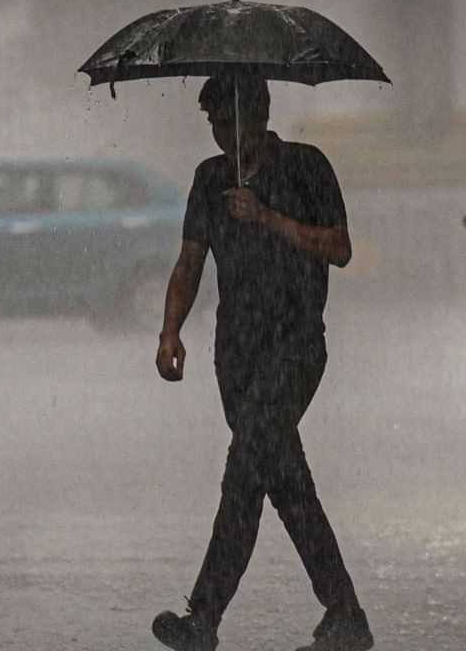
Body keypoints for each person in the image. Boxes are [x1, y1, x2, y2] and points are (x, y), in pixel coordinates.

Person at [151, 73, 373, 651]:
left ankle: (204, 616)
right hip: (237, 354)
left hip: (295, 344)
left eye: (229, 121)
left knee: (245, 472)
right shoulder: (209, 179)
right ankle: (345, 613)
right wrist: (170, 329)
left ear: (260, 115)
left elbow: (341, 249)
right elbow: (189, 261)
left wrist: (268, 218)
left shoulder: (307, 166)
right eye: (213, 125)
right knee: (285, 481)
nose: (222, 135)